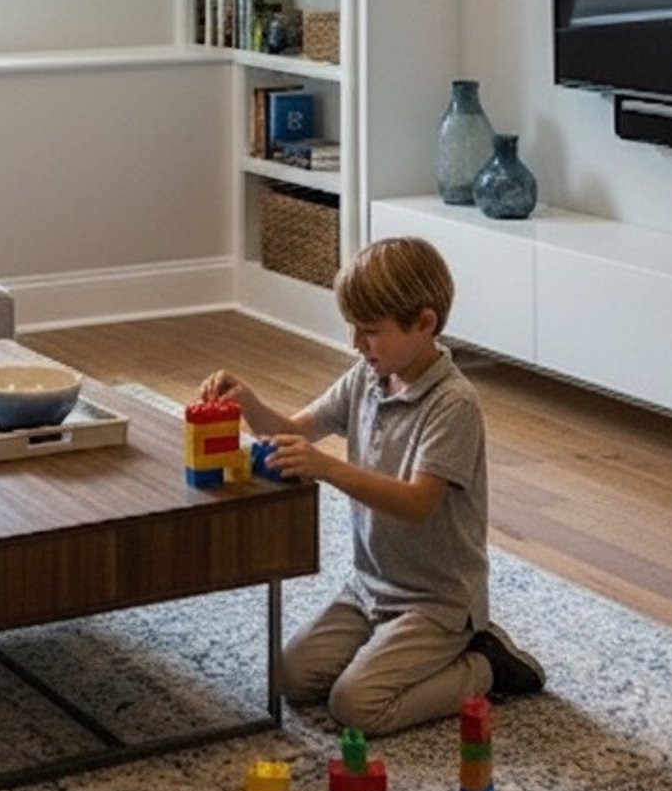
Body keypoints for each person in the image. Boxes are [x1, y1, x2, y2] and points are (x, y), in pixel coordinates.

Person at [200, 235, 543, 736]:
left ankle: (485, 664)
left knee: (356, 706)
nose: (357, 345)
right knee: (289, 676)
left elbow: (419, 503)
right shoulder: (367, 377)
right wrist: (246, 401)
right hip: (370, 588)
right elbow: (294, 432)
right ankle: (393, 648)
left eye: (370, 332)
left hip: (436, 602)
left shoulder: (453, 404)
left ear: (424, 323)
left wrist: (329, 468)